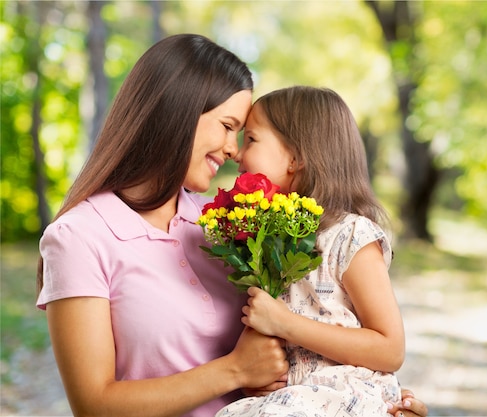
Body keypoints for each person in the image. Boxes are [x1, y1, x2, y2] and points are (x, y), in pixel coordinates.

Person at [36, 34, 427, 417]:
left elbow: (319, 330)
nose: (232, 149)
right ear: (179, 112)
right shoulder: (78, 237)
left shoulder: (227, 224)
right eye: (227, 126)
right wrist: (234, 370)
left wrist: (372, 401)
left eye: (243, 135)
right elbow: (93, 406)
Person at [216, 86, 407, 417]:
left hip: (343, 397)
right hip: (290, 400)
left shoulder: (350, 237)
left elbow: (390, 349)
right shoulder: (270, 237)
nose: (236, 153)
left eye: (252, 140)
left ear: (295, 158)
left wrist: (285, 324)